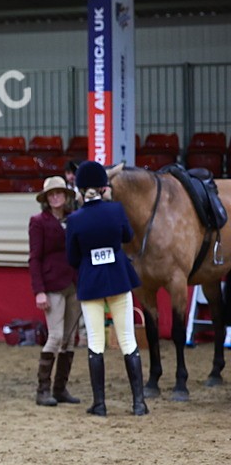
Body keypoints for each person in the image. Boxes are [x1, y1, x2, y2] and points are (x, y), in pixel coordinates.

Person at [66, 160, 147, 416]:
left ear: (80, 189)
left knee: (96, 343)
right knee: (127, 339)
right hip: (118, 278)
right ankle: (139, 403)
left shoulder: (75, 219)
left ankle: (100, 404)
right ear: (103, 187)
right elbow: (127, 237)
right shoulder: (116, 210)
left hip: (91, 282)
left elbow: (72, 257)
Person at [29, 176, 82, 406]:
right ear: (46, 199)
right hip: (51, 285)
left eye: (59, 193)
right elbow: (34, 258)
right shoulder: (38, 221)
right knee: (56, 336)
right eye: (51, 194)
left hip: (74, 283)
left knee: (70, 338)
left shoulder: (75, 219)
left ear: (66, 195)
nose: (55, 197)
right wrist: (38, 291)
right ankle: (43, 390)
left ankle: (60, 389)